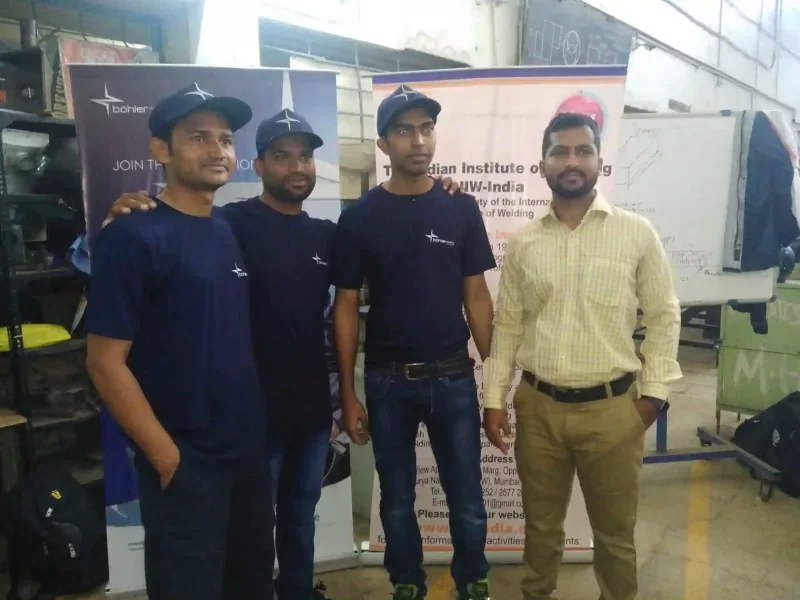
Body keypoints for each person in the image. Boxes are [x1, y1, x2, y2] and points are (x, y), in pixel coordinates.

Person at [103, 106, 465, 600]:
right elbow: (175, 228)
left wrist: (441, 191)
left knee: (296, 517)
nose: (297, 168)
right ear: (258, 165)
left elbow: (366, 276)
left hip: (308, 411)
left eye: (305, 158)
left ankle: (296, 591)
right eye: (281, 157)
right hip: (248, 420)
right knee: (226, 548)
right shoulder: (229, 223)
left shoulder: (326, 235)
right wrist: (131, 207)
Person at [482, 112, 682, 600]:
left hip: (613, 411)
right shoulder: (525, 243)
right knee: (540, 527)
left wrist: (652, 398)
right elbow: (508, 326)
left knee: (614, 534)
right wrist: (493, 399)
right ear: (543, 164)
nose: (571, 161)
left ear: (599, 161)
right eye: (559, 151)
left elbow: (664, 314)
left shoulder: (636, 233)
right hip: (539, 410)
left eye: (582, 151)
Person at [85, 84, 274, 600]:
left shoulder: (228, 229)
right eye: (197, 137)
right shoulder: (132, 236)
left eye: (225, 139)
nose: (217, 150)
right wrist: (165, 455)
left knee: (252, 586)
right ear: (161, 150)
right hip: (187, 462)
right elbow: (104, 363)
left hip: (247, 455)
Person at [332, 85, 496, 600]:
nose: (418, 140)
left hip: (453, 377)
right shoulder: (359, 218)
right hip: (388, 383)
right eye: (404, 130)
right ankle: (407, 581)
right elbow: (345, 305)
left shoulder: (459, 208)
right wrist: (348, 393)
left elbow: (476, 296)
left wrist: (495, 378)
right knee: (397, 499)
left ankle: (473, 581)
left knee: (466, 495)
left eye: (426, 128)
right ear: (384, 144)